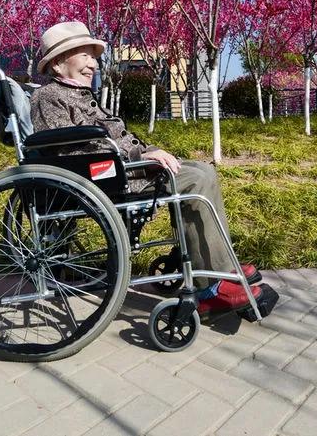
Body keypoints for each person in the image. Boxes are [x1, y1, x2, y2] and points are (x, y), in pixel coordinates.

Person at [30, 21, 275, 318]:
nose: (93, 63)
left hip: (117, 169)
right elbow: (71, 150)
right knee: (195, 179)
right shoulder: (48, 97)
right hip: (104, 177)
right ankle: (212, 285)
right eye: (84, 55)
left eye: (94, 57)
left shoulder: (79, 95)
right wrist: (141, 156)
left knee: (202, 170)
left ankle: (219, 269)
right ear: (57, 64)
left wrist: (147, 153)